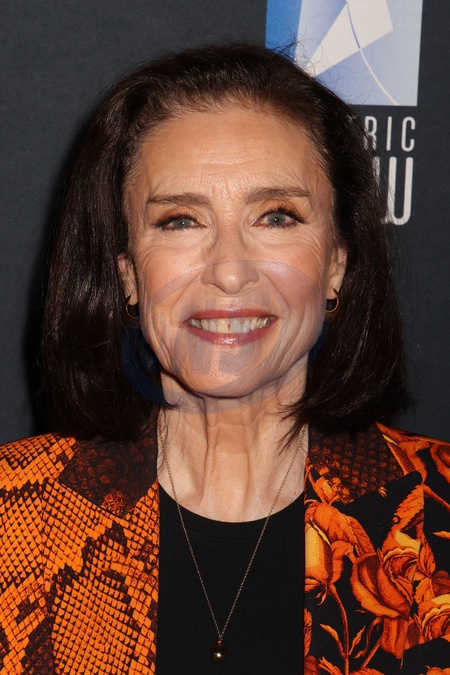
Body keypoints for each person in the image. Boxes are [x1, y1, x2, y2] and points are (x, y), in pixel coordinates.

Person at [1, 44, 449, 675]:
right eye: (181, 221)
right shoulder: (13, 517)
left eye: (276, 217)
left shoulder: (436, 515)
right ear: (128, 274)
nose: (230, 272)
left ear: (337, 264)